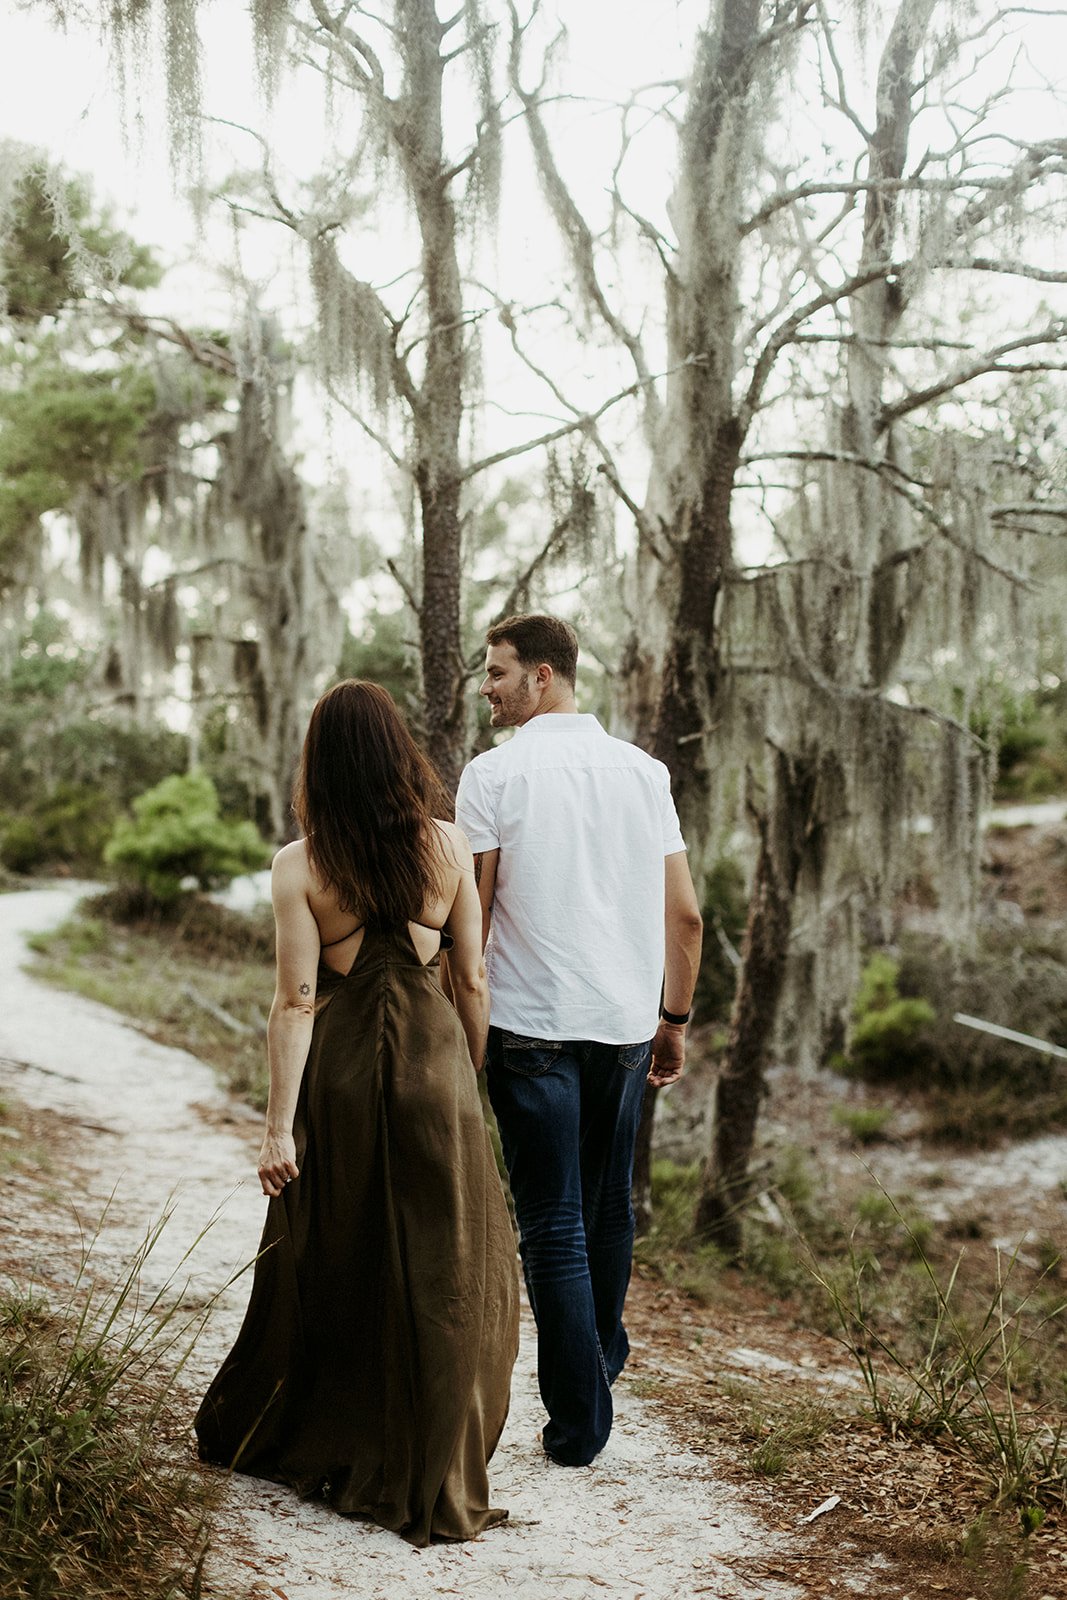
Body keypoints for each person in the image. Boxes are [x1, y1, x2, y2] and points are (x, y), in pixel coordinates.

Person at [195, 680, 519, 1547]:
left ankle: (336, 1428)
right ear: (397, 754)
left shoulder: (300, 865)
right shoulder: (449, 846)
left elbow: (295, 1004)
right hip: (432, 1067)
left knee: (340, 1245)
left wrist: (276, 1128)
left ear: (320, 763)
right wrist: (468, 1075)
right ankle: (438, 1456)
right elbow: (471, 979)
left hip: (337, 1075)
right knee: (442, 1261)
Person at [455, 614, 703, 1469]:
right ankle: (598, 1364)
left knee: (553, 1223)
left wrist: (465, 1028)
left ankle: (577, 1422)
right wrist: (673, 1022)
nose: (486, 686)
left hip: (530, 1026)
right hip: (626, 1023)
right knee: (603, 1207)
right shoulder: (644, 774)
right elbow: (686, 916)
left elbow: (474, 920)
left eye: (496, 672)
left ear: (544, 676)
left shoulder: (492, 776)